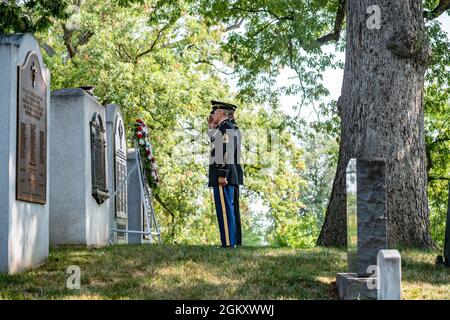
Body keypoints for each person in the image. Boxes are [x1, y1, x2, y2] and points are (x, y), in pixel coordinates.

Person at [208, 100, 239, 248]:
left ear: (220, 112)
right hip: (224, 174)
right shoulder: (223, 127)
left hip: (223, 175)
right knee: (224, 210)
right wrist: (212, 129)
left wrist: (222, 173)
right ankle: (228, 242)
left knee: (225, 211)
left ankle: (228, 243)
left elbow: (226, 151)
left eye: (213, 112)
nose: (212, 114)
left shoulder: (226, 127)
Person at [228, 108, 243, 246]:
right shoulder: (234, 127)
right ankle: (235, 239)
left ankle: (234, 239)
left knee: (232, 207)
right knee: (234, 207)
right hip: (235, 173)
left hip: (231, 173)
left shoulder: (230, 128)